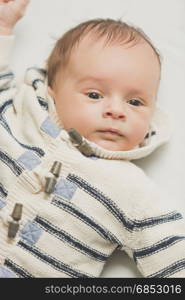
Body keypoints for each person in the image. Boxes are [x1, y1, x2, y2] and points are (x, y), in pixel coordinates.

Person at [0, 0, 185, 278]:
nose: (116, 110)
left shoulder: (133, 193)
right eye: (95, 95)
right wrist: (3, 26)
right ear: (54, 92)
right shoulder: (20, 112)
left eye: (135, 102)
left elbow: (174, 260)